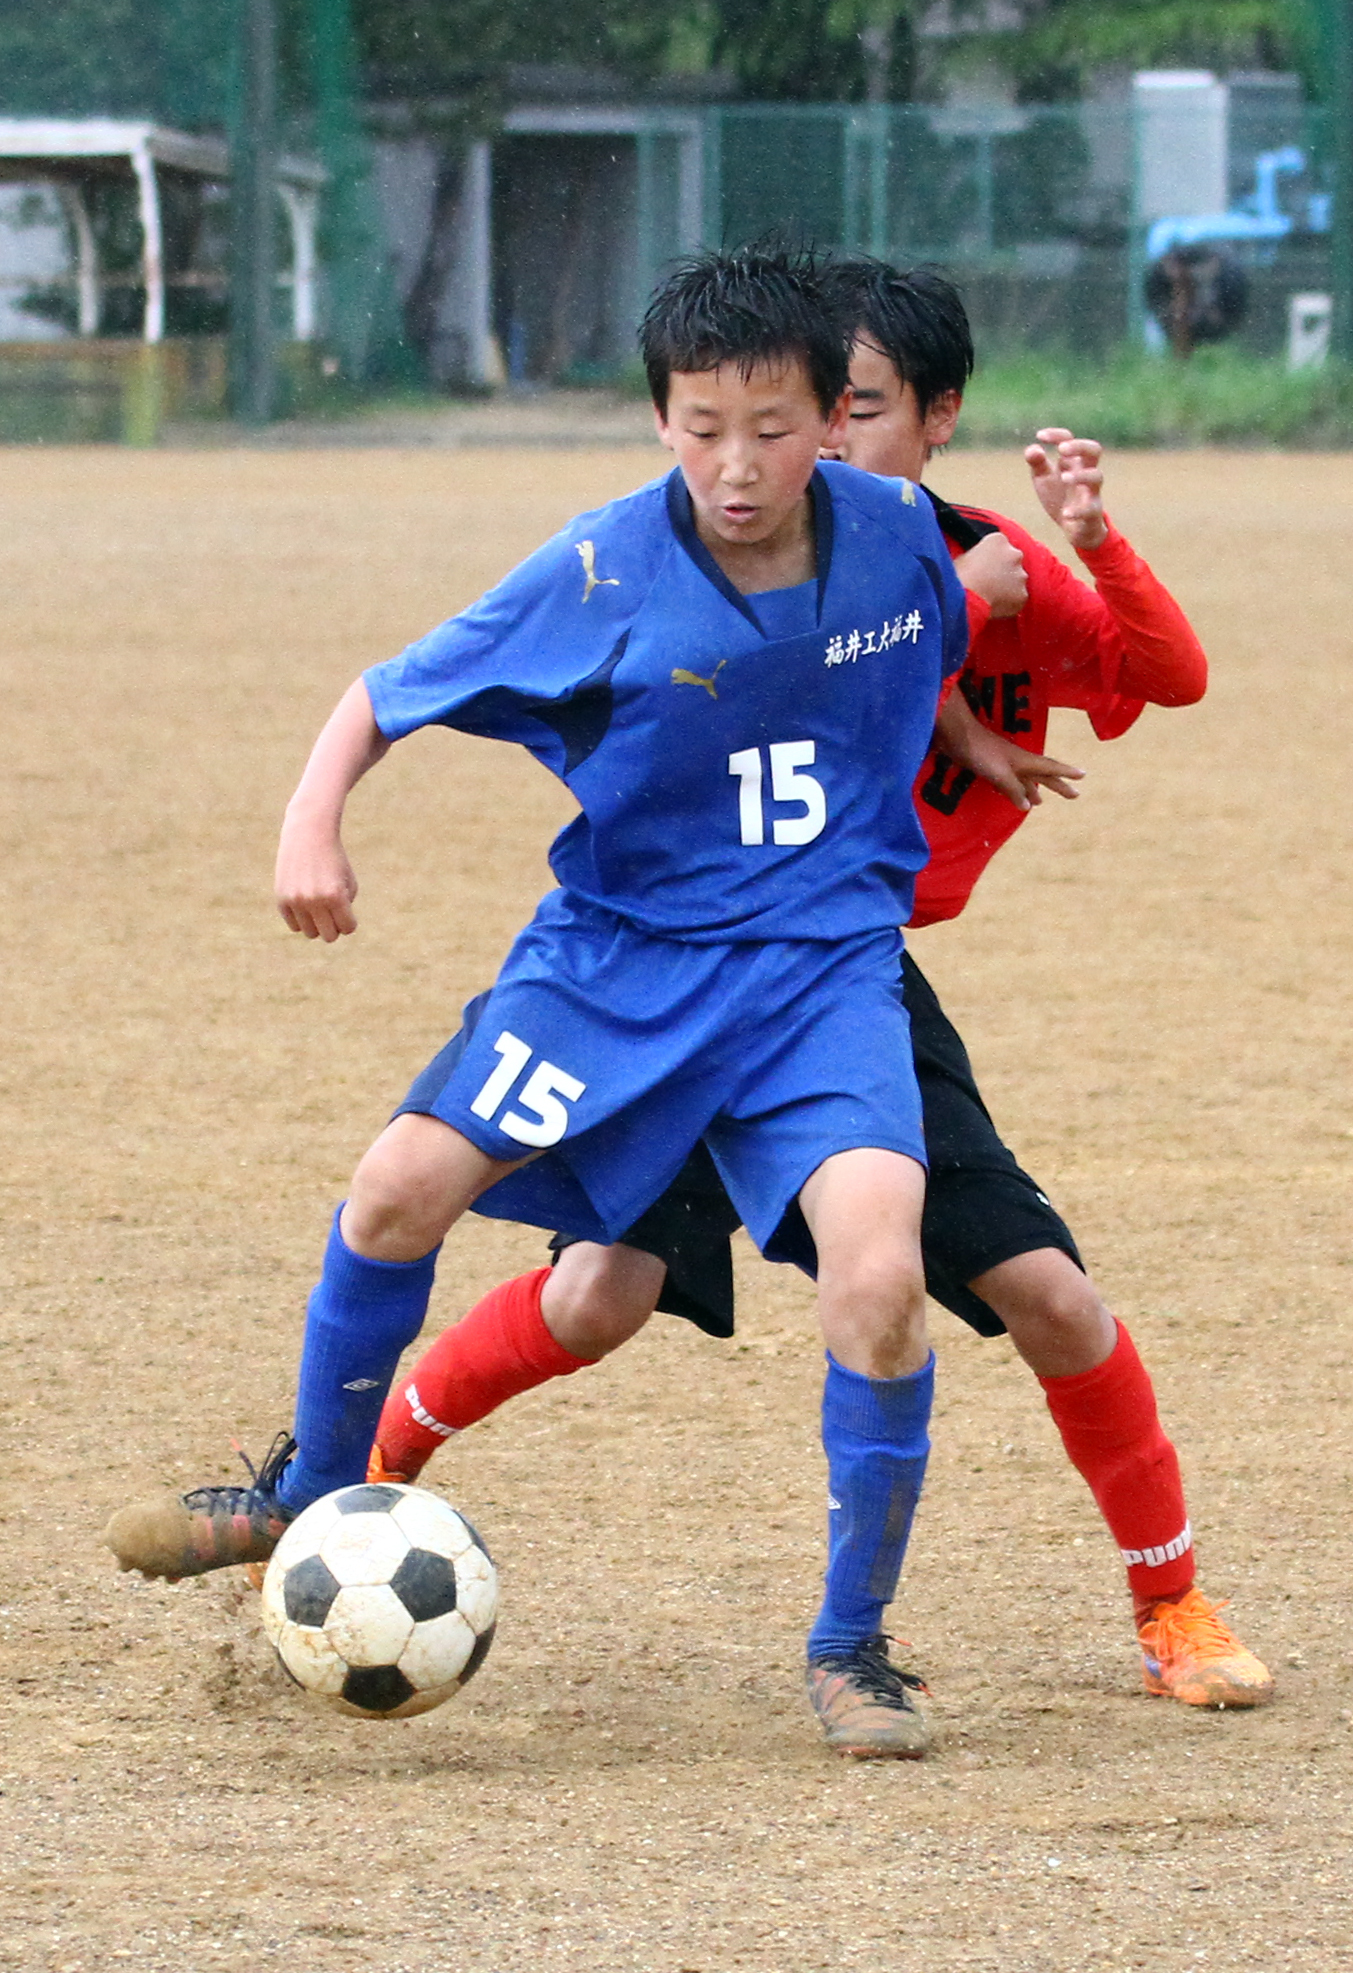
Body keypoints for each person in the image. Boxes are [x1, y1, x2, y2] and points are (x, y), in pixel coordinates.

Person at [360, 260, 1273, 1747]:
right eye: (806, 416)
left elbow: (1163, 675)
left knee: (1047, 1294)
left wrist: (1087, 548)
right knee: (597, 1296)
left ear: (936, 418)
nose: (817, 446)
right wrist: (952, 703)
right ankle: (366, 1472)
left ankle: (1167, 1600)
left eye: (852, 411)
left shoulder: (957, 557)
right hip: (681, 976)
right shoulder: (765, 555)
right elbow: (780, 665)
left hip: (841, 988)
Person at [104, 247, 971, 1759]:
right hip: (619, 966)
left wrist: (972, 733)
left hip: (817, 981)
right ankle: (311, 1492)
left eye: (771, 428)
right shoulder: (599, 572)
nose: (735, 465)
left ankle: (852, 1651)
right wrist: (312, 825)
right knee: (397, 1192)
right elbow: (384, 694)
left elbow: (921, 647)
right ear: (658, 420)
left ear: (834, 419)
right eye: (700, 428)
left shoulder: (901, 535)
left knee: (880, 1279)